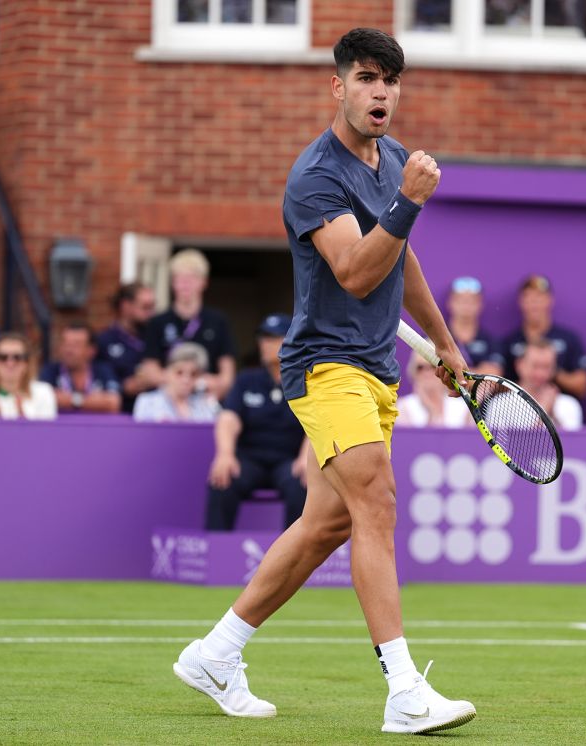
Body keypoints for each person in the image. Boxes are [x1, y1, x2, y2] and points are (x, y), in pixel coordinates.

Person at [171, 28, 476, 736]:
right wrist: (408, 203)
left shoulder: (394, 159)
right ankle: (403, 691)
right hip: (323, 365)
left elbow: (401, 265)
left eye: (391, 81)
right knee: (377, 500)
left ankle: (216, 653)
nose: (381, 93)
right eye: (367, 79)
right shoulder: (314, 175)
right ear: (338, 87)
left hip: (377, 368)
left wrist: (444, 342)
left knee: (327, 524)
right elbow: (355, 270)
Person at [207, 313, 310, 530]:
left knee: (303, 484)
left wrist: (305, 458)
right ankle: (216, 553)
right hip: (250, 459)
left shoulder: (305, 380)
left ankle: (293, 559)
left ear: (290, 341)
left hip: (288, 460)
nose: (265, 344)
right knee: (222, 480)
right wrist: (225, 454)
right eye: (263, 338)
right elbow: (228, 418)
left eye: (272, 338)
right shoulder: (247, 379)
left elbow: (317, 424)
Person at [139, 249, 237, 402]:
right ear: (172, 283)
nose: (185, 285)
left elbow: (227, 376)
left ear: (204, 282)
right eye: (180, 279)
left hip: (205, 401)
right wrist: (182, 380)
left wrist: (202, 382)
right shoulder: (158, 322)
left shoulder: (218, 321)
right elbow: (150, 371)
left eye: (191, 279)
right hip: (167, 403)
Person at [499, 274, 586, 400]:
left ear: (550, 300)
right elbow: (495, 384)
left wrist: (547, 370)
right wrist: (526, 380)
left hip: (559, 403)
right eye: (529, 297)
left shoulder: (569, 339)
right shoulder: (509, 342)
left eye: (539, 297)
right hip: (516, 405)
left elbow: (582, 385)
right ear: (521, 301)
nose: (534, 303)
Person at [0, 333, 57, 420]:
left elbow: (45, 433)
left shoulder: (44, 392)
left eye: (18, 357)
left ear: (27, 363)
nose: (10, 363)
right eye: (2, 357)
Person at [97, 282, 156, 413]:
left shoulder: (157, 337)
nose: (151, 313)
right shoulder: (104, 341)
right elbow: (95, 380)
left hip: (154, 414)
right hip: (119, 414)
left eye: (152, 307)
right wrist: (123, 386)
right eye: (145, 307)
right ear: (126, 306)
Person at [39, 322, 122, 414]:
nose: (69, 350)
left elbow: (113, 403)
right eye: (65, 344)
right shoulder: (50, 371)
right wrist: (94, 401)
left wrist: (72, 400)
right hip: (59, 427)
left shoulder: (103, 370)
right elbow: (43, 400)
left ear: (91, 350)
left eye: (76, 345)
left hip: (96, 427)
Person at [132, 342, 222, 423]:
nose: (186, 379)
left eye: (193, 374)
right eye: (179, 372)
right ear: (167, 372)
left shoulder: (205, 404)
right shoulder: (147, 402)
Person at [513, 338, 583, 431]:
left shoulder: (570, 405)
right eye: (535, 366)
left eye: (546, 366)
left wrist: (552, 413)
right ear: (519, 365)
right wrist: (544, 413)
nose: (540, 373)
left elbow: (572, 443)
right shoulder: (500, 405)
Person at [396, 348, 472, 427]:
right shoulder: (403, 407)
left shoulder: (464, 408)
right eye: (420, 367)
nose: (427, 372)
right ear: (413, 372)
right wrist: (432, 413)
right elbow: (407, 439)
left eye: (433, 366)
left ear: (445, 371)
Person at [446, 275, 503, 377]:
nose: (466, 304)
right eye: (461, 300)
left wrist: (453, 372)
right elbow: (428, 373)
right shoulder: (436, 336)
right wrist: (480, 371)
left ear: (480, 304)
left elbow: (494, 377)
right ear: (450, 302)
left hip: (481, 393)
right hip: (442, 393)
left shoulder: (489, 340)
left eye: (472, 300)